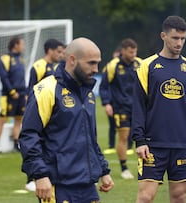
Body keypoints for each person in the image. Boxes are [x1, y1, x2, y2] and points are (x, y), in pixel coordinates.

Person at [19, 37, 114, 202]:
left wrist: (103, 170)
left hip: (87, 184)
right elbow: (29, 135)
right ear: (72, 60)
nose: (95, 69)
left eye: (98, 63)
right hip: (58, 185)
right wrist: (40, 174)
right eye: (91, 63)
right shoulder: (46, 90)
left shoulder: (88, 93)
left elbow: (90, 137)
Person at [132, 15, 186, 203]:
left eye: (183, 38)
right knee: (145, 196)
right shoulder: (147, 66)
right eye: (175, 38)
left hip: (182, 144)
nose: (179, 43)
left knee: (179, 196)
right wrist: (140, 140)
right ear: (163, 36)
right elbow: (138, 105)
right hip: (152, 145)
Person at [25, 38, 64, 191]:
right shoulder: (38, 66)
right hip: (38, 111)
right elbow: (31, 90)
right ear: (50, 51)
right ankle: (31, 178)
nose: (61, 55)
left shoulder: (56, 67)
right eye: (58, 52)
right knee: (34, 142)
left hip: (52, 111)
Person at [99, 38, 141, 179]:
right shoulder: (113, 65)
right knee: (123, 136)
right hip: (121, 107)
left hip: (139, 107)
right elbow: (103, 86)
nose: (133, 54)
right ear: (123, 51)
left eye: (135, 51)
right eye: (130, 52)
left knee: (143, 137)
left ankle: (143, 166)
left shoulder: (140, 64)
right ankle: (124, 169)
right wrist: (107, 103)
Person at [0, 36, 26, 153]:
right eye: (22, 44)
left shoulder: (21, 59)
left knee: (19, 119)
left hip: (21, 95)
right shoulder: (5, 58)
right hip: (8, 96)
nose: (24, 46)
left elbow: (21, 78)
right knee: (2, 119)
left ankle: (15, 143)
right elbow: (3, 76)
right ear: (15, 45)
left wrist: (24, 93)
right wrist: (12, 91)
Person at [102, 46, 120, 155]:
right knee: (112, 125)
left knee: (128, 125)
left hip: (124, 102)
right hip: (112, 101)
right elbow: (104, 85)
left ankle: (128, 146)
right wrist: (106, 102)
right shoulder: (109, 67)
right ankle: (111, 145)